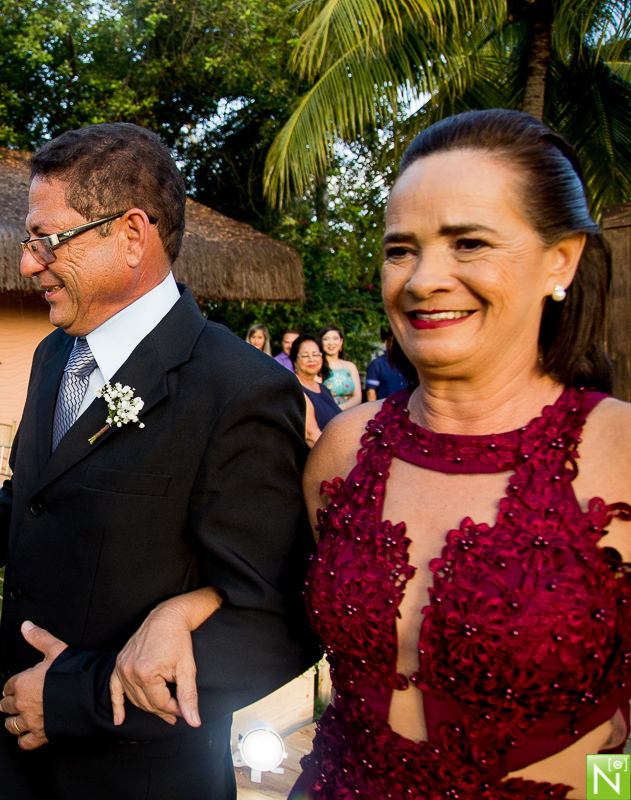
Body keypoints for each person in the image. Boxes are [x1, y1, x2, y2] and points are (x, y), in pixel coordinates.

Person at [108, 109, 631, 799]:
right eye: (400, 249)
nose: (423, 279)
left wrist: (608, 789)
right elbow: (277, 595)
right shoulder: (346, 451)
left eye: (469, 243)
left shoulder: (617, 451)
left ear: (559, 259)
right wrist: (179, 611)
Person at [0, 122, 318, 799]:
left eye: (48, 240)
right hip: (27, 767)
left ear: (132, 234)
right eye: (29, 241)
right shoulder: (56, 357)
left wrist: (79, 698)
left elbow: (274, 620)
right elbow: (32, 502)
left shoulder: (239, 389)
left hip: (141, 777)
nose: (27, 263)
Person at [290, 333, 340, 446]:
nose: (312, 359)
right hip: (319, 456)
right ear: (294, 360)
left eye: (316, 354)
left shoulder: (323, 388)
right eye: (305, 355)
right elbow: (311, 435)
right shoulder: (294, 389)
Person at [318, 324, 361, 408]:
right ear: (321, 342)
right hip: (326, 414)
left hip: (349, 413)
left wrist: (340, 409)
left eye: (335, 339)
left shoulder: (350, 366)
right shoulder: (317, 366)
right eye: (326, 339)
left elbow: (357, 396)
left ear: (341, 342)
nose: (331, 343)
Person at [363, 327, 409, 402]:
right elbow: (371, 392)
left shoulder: (409, 363)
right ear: (386, 342)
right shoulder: (377, 364)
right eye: (394, 341)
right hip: (385, 409)